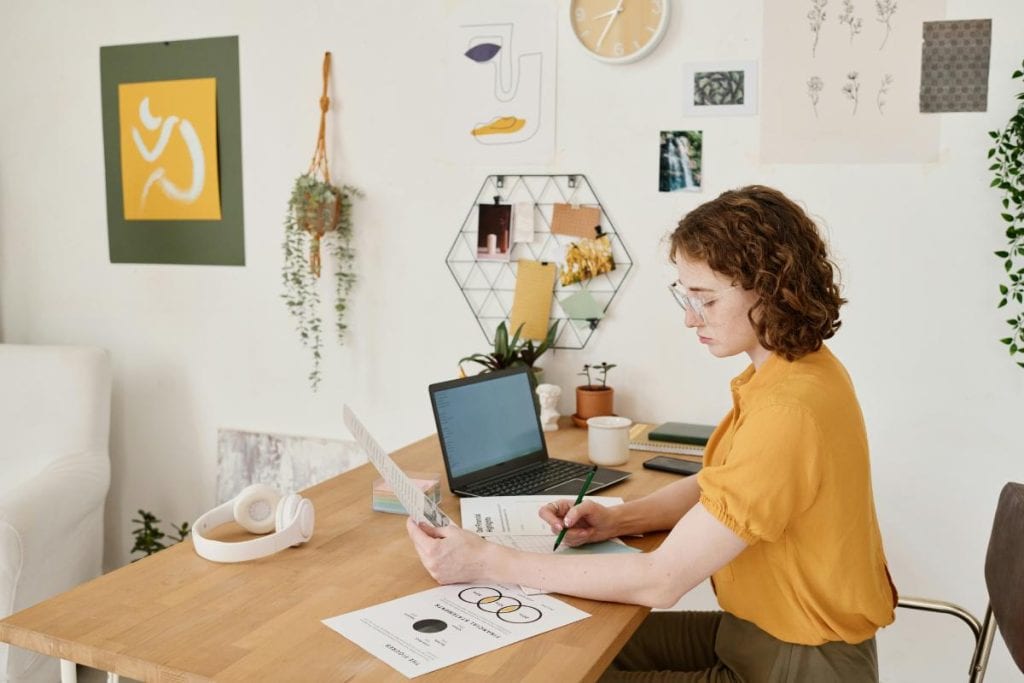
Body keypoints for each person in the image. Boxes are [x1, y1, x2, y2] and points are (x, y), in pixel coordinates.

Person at [407, 185, 897, 681]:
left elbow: (660, 582)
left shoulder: (790, 409)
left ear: (768, 287)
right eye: (685, 297)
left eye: (704, 299)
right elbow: (719, 486)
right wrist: (618, 521)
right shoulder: (794, 373)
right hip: (758, 633)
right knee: (570, 642)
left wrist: (489, 561)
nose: (689, 318)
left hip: (799, 660)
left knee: (561, 669)